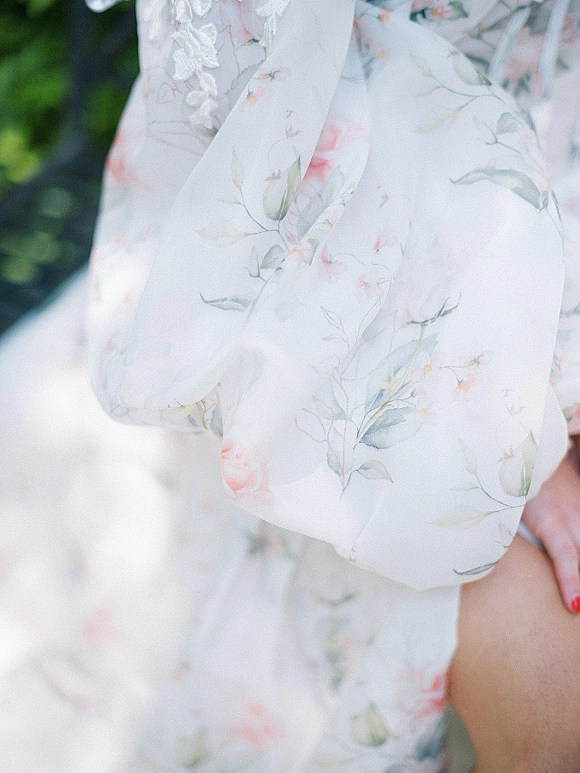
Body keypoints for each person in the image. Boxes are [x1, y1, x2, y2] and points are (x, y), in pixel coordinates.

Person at [1, 0, 580, 771]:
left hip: (549, 277)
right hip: (337, 331)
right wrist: (514, 422)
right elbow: (261, 150)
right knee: (553, 703)